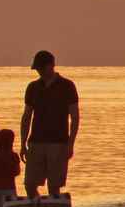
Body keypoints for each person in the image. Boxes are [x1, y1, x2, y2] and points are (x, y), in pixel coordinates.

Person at [20, 50, 80, 198]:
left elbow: (75, 117)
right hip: (35, 142)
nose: (39, 71)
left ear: (50, 66)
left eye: (41, 68)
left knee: (54, 185)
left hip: (58, 143)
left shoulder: (67, 86)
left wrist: (71, 143)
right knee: (29, 184)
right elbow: (26, 116)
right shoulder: (33, 87)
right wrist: (22, 143)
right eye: (37, 68)